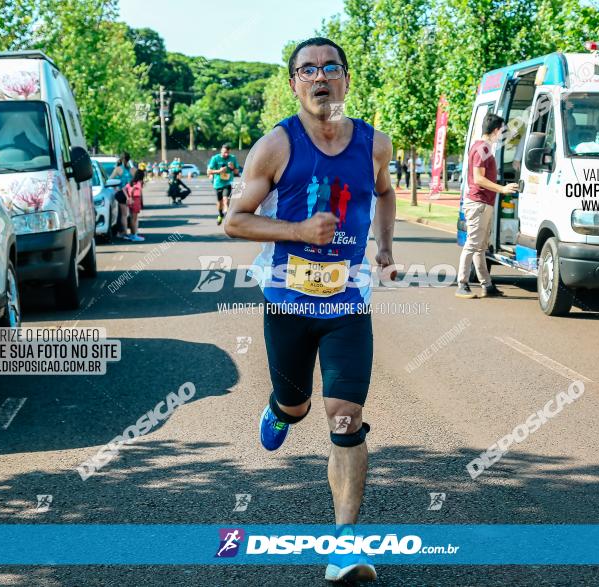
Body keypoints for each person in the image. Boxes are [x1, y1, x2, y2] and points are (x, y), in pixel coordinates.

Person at [224, 36, 396, 584]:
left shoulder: (375, 144)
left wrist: (386, 247)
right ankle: (279, 409)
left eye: (331, 68)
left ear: (346, 79)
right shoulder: (276, 145)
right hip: (287, 302)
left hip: (348, 303)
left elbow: (386, 192)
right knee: (297, 407)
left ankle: (344, 546)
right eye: (308, 70)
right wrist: (297, 231)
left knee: (344, 418)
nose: (320, 77)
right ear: (294, 83)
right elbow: (235, 220)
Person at [456, 113, 518, 298]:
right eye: (502, 130)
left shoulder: (481, 147)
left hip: (482, 203)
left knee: (480, 247)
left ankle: (487, 285)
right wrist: (502, 188)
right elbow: (479, 178)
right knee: (472, 244)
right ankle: (462, 284)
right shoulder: (482, 149)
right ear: (497, 130)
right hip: (478, 203)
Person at [207, 143, 240, 226]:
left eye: (228, 153)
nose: (226, 154)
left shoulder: (232, 158)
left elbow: (237, 172)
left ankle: (228, 217)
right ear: (221, 150)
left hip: (228, 183)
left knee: (226, 200)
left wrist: (232, 167)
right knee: (220, 202)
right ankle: (220, 214)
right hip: (217, 184)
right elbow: (209, 171)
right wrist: (219, 171)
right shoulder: (215, 158)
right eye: (225, 152)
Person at [109, 152, 135, 240]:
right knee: (132, 214)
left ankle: (124, 233)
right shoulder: (133, 170)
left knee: (124, 215)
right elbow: (137, 182)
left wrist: (116, 188)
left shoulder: (118, 169)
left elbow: (110, 180)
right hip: (132, 193)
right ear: (129, 159)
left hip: (122, 193)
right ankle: (134, 233)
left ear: (121, 159)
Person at [124, 168, 145, 242]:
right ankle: (134, 235)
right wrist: (131, 197)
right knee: (134, 219)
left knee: (132, 218)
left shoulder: (131, 181)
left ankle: (133, 234)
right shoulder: (139, 182)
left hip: (131, 201)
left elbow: (124, 189)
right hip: (135, 200)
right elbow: (134, 189)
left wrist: (128, 197)